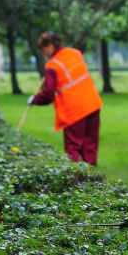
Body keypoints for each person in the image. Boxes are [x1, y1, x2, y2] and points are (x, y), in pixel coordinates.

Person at [28, 32, 103, 165]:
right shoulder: (75, 53)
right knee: (90, 144)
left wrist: (34, 99)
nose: (43, 53)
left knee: (73, 147)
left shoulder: (52, 66)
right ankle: (92, 179)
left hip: (74, 111)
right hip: (92, 104)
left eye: (43, 49)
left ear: (50, 46)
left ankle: (77, 180)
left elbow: (48, 94)